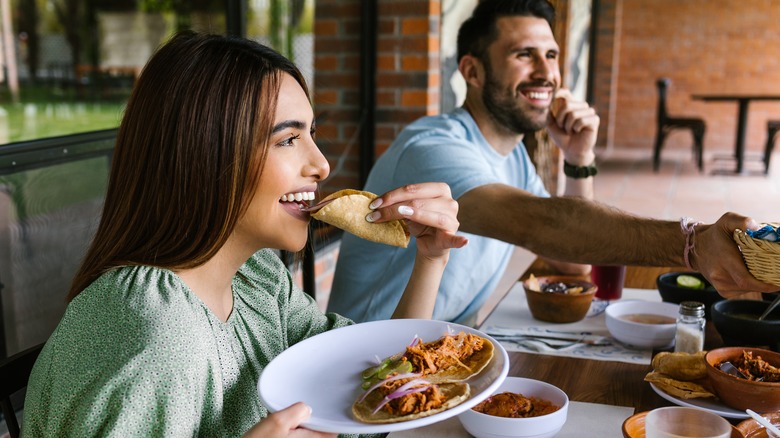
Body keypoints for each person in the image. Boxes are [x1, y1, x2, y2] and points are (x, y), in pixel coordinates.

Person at [21, 31, 467, 437]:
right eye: (287, 139)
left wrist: (429, 260)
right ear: (206, 157)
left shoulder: (256, 278)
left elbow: (368, 388)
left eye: (312, 133)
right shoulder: (154, 336)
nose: (323, 165)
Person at [327, 0, 777, 326]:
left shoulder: (513, 156)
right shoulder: (433, 149)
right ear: (473, 71)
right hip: (368, 367)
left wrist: (579, 161)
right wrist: (691, 244)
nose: (546, 72)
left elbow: (571, 264)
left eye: (552, 54)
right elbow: (541, 226)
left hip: (435, 357)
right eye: (524, 54)